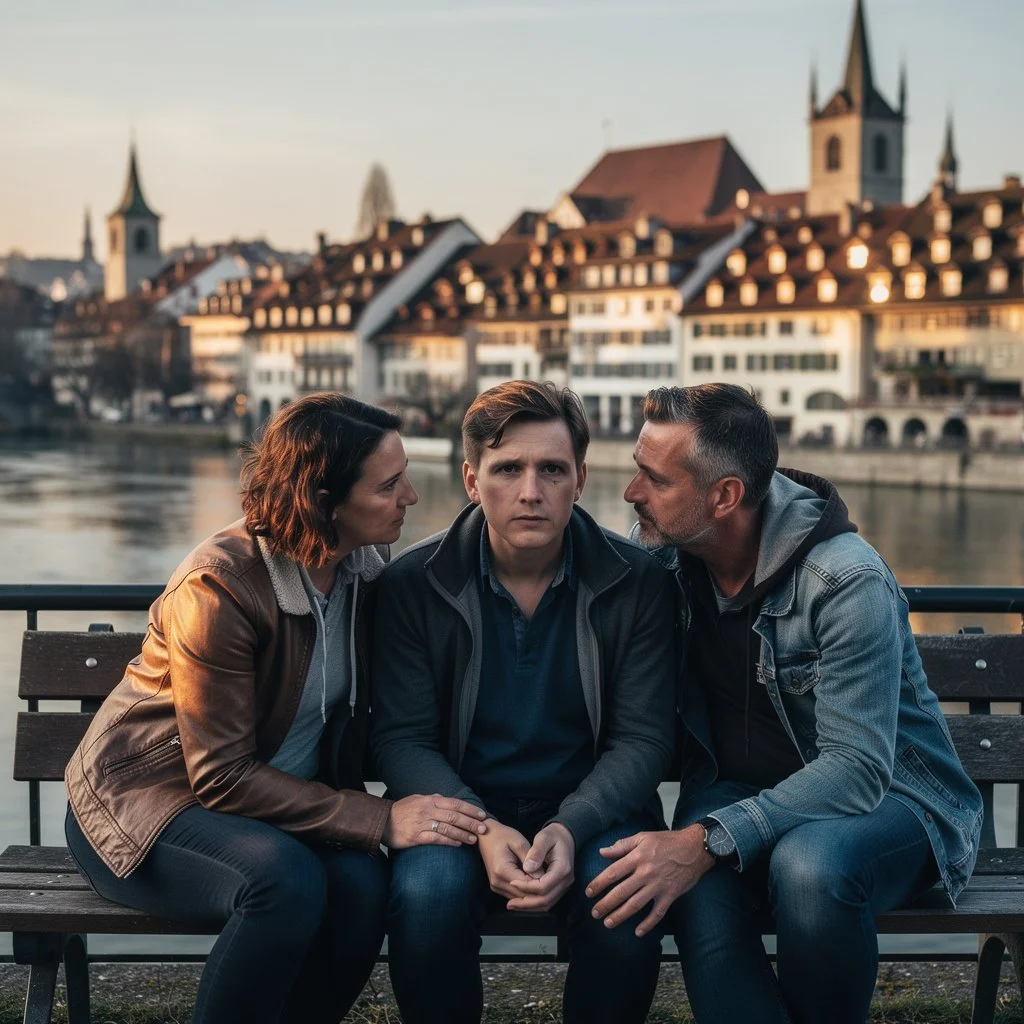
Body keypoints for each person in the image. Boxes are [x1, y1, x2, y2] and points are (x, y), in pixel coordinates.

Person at [64, 393, 489, 1024]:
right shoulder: (219, 587)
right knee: (284, 883)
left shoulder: (364, 569)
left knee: (364, 887)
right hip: (148, 808)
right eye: (389, 485)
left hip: (272, 813)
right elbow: (221, 775)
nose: (411, 498)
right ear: (325, 501)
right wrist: (378, 818)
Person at [587, 383, 983, 1024]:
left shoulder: (846, 582)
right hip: (737, 788)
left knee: (809, 866)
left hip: (896, 801)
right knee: (691, 888)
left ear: (725, 496)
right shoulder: (668, 562)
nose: (632, 493)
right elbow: (562, 547)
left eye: (653, 479)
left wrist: (708, 838)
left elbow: (856, 772)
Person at [372, 380, 677, 1024]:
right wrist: (481, 830)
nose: (531, 491)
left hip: (594, 810)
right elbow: (403, 739)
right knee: (426, 895)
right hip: (461, 809)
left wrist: (570, 824)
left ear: (581, 478)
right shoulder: (413, 584)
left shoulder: (639, 582)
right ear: (470, 480)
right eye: (508, 469)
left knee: (623, 901)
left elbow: (644, 740)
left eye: (552, 470)